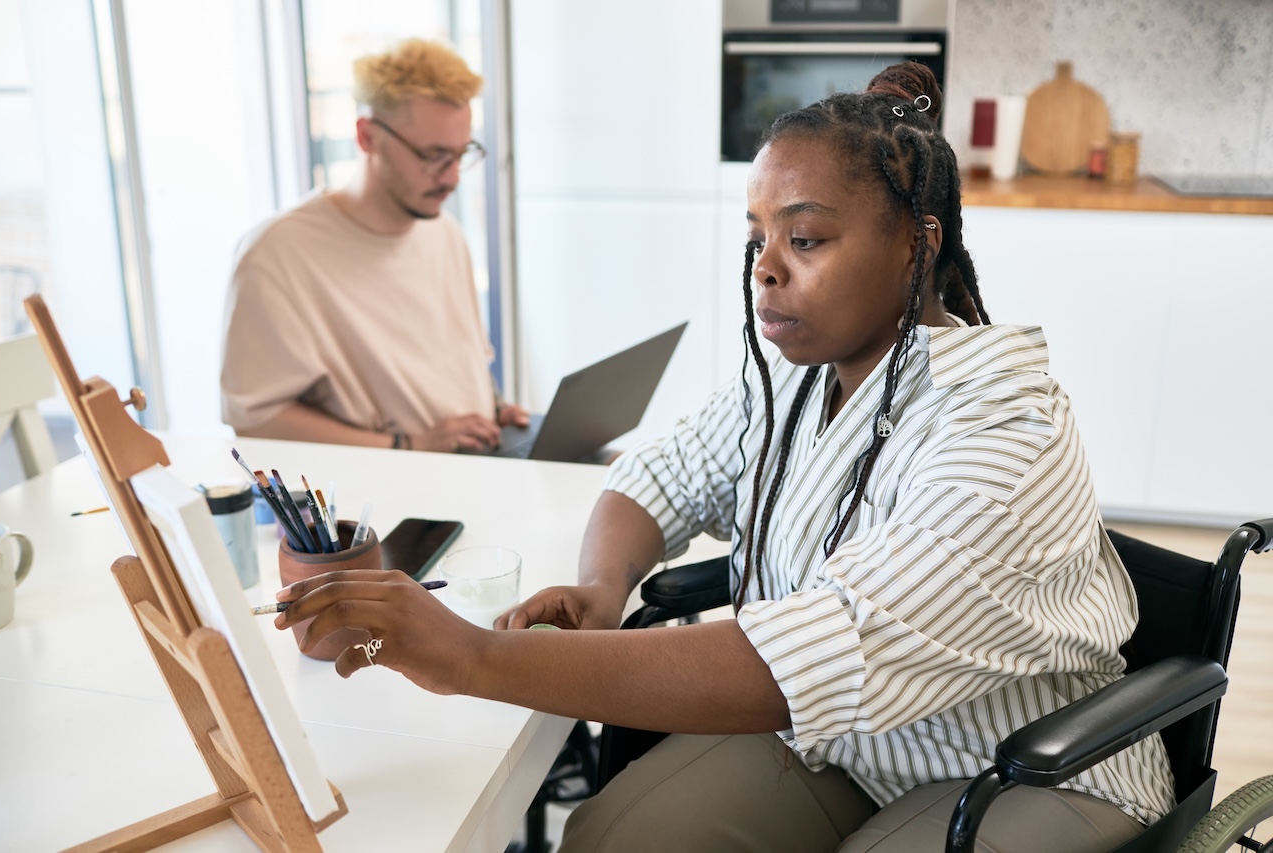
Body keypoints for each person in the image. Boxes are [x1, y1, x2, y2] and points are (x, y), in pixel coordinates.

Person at [270, 62, 1176, 851]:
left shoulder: (1003, 433)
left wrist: (471, 658)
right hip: (848, 742)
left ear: (916, 244)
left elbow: (798, 663)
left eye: (806, 239)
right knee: (613, 838)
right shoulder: (797, 374)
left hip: (1020, 764)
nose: (766, 269)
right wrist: (603, 583)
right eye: (760, 239)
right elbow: (654, 480)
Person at [220, 38, 528, 454]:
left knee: (615, 466)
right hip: (391, 494)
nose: (453, 177)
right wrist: (409, 445)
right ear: (367, 137)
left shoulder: (443, 231)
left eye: (461, 154)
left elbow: (461, 357)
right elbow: (255, 419)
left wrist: (493, 410)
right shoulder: (277, 255)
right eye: (433, 155)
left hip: (475, 459)